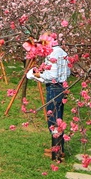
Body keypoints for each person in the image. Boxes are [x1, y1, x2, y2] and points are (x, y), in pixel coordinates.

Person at [26, 33, 71, 162]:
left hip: (54, 87)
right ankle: (57, 148)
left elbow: (52, 75)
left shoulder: (52, 53)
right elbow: (67, 72)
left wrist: (36, 75)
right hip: (62, 86)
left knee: (53, 120)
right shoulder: (62, 52)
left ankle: (57, 154)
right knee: (58, 118)